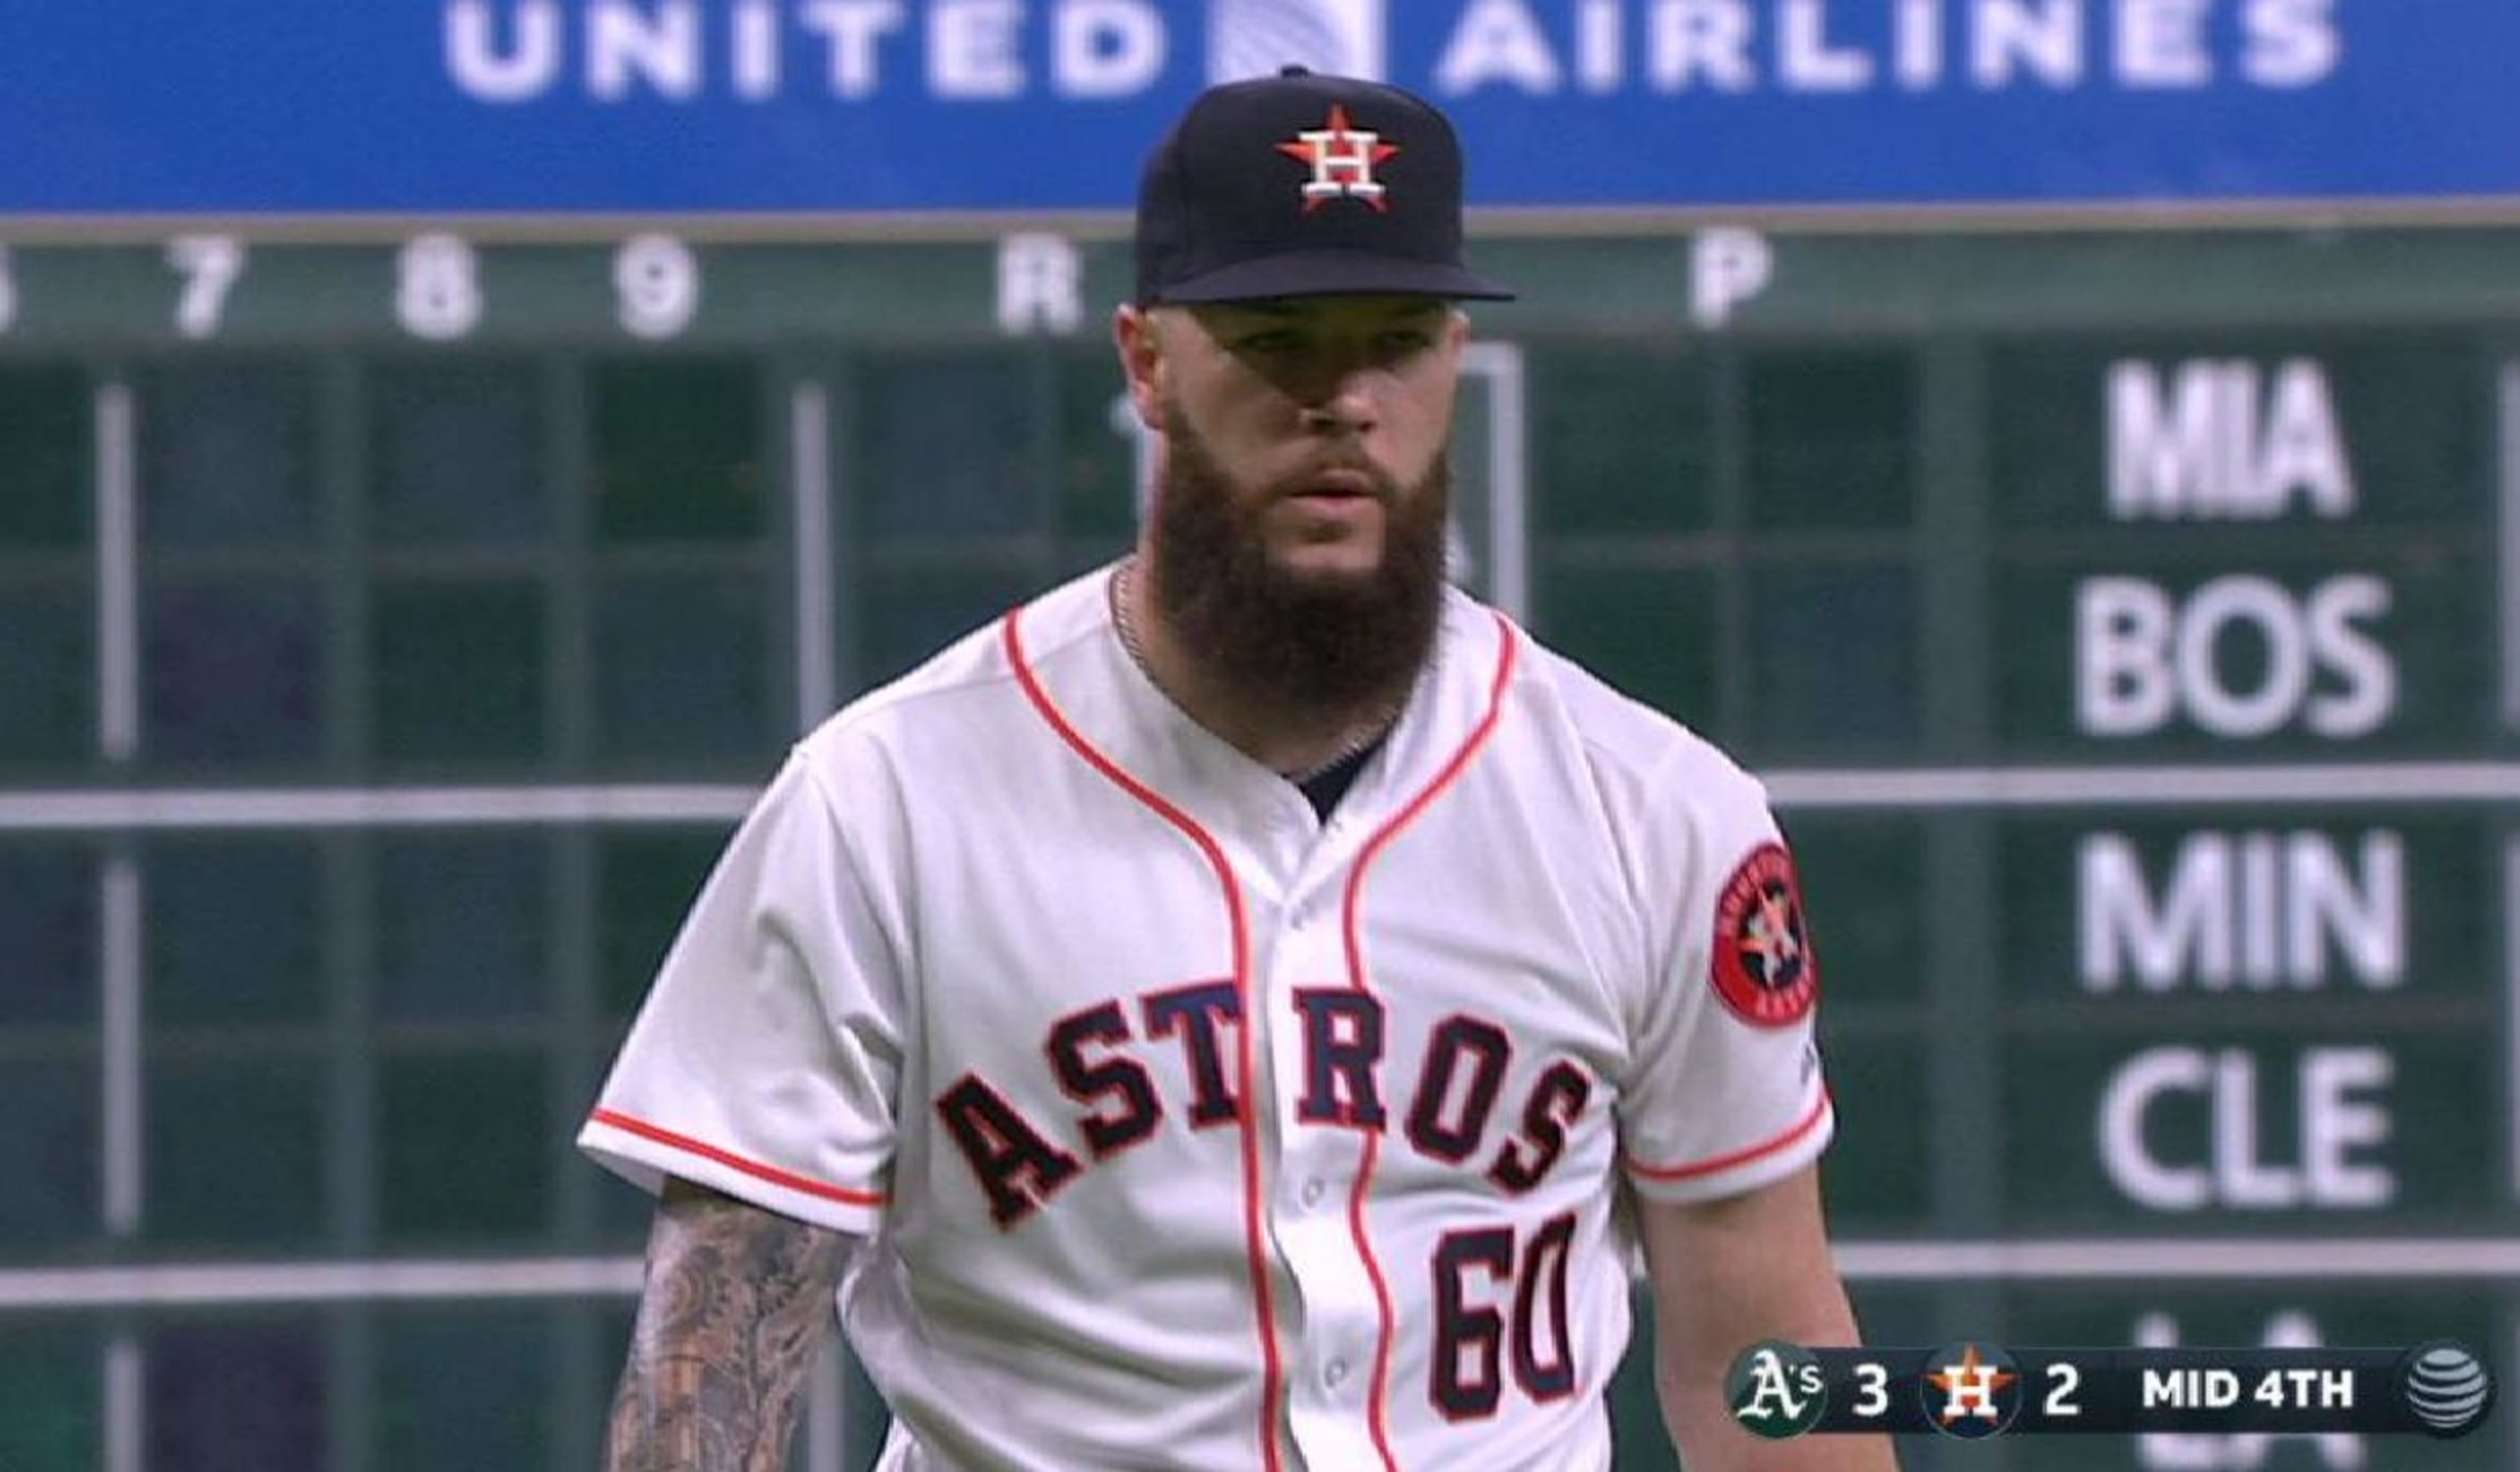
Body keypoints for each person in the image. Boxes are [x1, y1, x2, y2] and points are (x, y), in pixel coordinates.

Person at [583, 66, 1894, 1472]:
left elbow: (1760, 1362)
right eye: (1278, 338)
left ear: (1455, 353)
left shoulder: (1656, 815)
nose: (1343, 397)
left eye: (1393, 337)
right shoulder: (888, 807)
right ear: (1148, 361)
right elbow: (705, 1375)